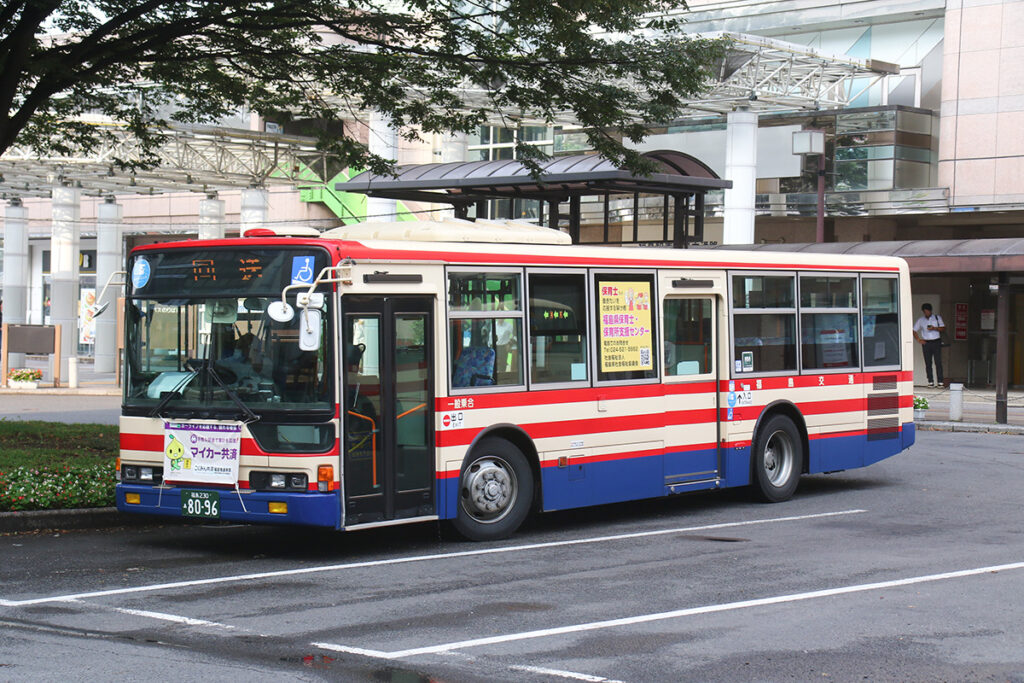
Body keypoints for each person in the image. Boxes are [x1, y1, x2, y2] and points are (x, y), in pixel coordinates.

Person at [913, 303, 945, 387]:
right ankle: (930, 381)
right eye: (925, 311)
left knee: (938, 362)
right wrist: (919, 339)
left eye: (927, 311)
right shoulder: (921, 320)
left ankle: (940, 381)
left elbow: (943, 328)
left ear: (930, 311)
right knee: (928, 363)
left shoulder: (937, 318)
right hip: (926, 342)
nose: (926, 313)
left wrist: (934, 328)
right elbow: (914, 330)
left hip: (936, 341)